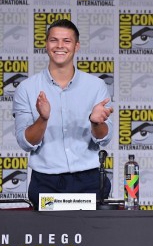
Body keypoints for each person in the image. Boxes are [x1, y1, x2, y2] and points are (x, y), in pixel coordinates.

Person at [13, 19, 114, 207]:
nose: (60, 46)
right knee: (47, 228)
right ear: (46, 45)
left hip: (89, 181)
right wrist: (43, 119)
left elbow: (104, 138)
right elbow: (25, 142)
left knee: (94, 228)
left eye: (67, 41)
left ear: (76, 46)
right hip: (45, 182)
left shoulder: (96, 86)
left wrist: (96, 123)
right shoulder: (26, 88)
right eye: (54, 40)